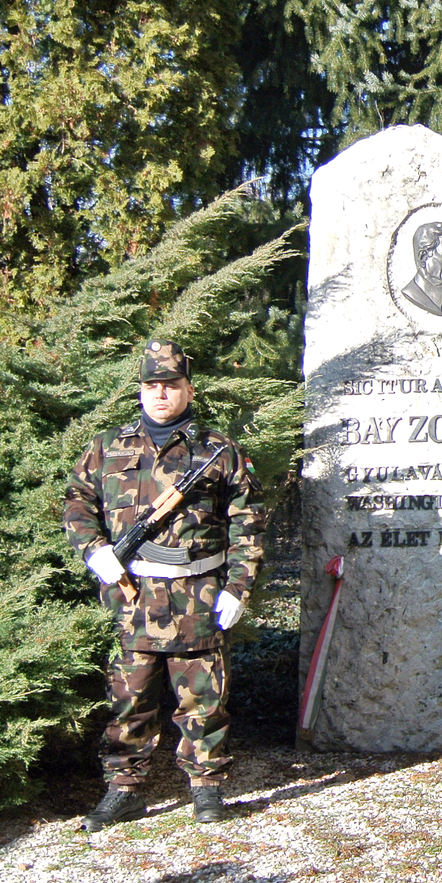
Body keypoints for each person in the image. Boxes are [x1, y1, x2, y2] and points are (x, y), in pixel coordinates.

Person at [64, 339, 266, 831]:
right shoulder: (107, 447)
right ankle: (123, 790)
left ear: (188, 389)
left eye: (170, 384)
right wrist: (93, 550)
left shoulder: (218, 451)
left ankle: (207, 790)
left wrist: (237, 587)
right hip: (132, 596)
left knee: (204, 699)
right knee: (128, 698)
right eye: (151, 385)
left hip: (198, 596)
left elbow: (249, 522)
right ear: (139, 390)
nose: (160, 393)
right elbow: (77, 503)